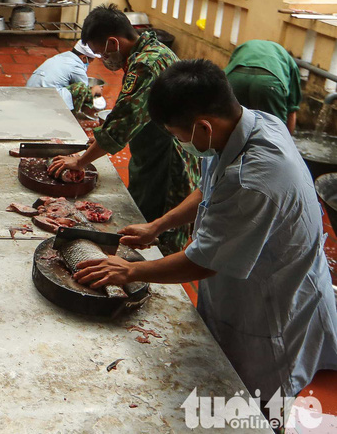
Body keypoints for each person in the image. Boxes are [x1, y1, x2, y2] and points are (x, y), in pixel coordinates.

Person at [74, 59, 337, 404]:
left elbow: (204, 262)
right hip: (247, 281)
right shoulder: (251, 124)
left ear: (202, 127)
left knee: (255, 406)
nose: (177, 139)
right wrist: (159, 225)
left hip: (272, 308)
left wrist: (131, 270)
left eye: (176, 133)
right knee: (224, 389)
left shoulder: (254, 180)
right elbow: (210, 187)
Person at [48, 6, 199, 252]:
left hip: (166, 158)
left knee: (156, 231)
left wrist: (80, 161)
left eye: (100, 53)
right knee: (140, 214)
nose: (103, 60)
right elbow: (126, 109)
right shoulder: (153, 51)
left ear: (113, 42)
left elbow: (122, 125)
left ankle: (156, 277)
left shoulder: (146, 65)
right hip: (152, 148)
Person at [224, 39, 302, 133]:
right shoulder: (288, 60)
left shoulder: (246, 45)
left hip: (236, 78)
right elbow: (292, 111)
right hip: (269, 82)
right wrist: (286, 141)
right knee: (274, 134)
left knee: (230, 127)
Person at [25, 41, 104, 113]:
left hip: (27, 95)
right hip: (44, 102)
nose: (89, 64)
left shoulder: (61, 56)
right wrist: (95, 90)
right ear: (83, 57)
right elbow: (85, 94)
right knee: (81, 88)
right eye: (90, 61)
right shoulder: (77, 67)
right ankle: (69, 117)